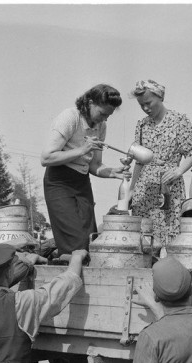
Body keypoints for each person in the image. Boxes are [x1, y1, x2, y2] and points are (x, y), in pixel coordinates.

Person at [41, 84, 130, 254]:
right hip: (59, 182)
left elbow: (94, 165)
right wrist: (82, 150)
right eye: (102, 113)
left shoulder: (100, 126)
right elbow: (46, 158)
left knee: (89, 238)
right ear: (90, 103)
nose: (105, 119)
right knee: (74, 241)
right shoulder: (70, 118)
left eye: (108, 116)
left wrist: (112, 172)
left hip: (82, 182)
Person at [127, 80, 192, 247]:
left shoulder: (179, 120)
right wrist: (131, 190)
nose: (145, 108)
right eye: (141, 105)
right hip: (145, 188)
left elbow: (191, 154)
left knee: (171, 236)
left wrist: (179, 171)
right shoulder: (142, 125)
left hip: (169, 185)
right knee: (144, 238)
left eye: (148, 103)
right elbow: (139, 162)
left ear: (160, 97)